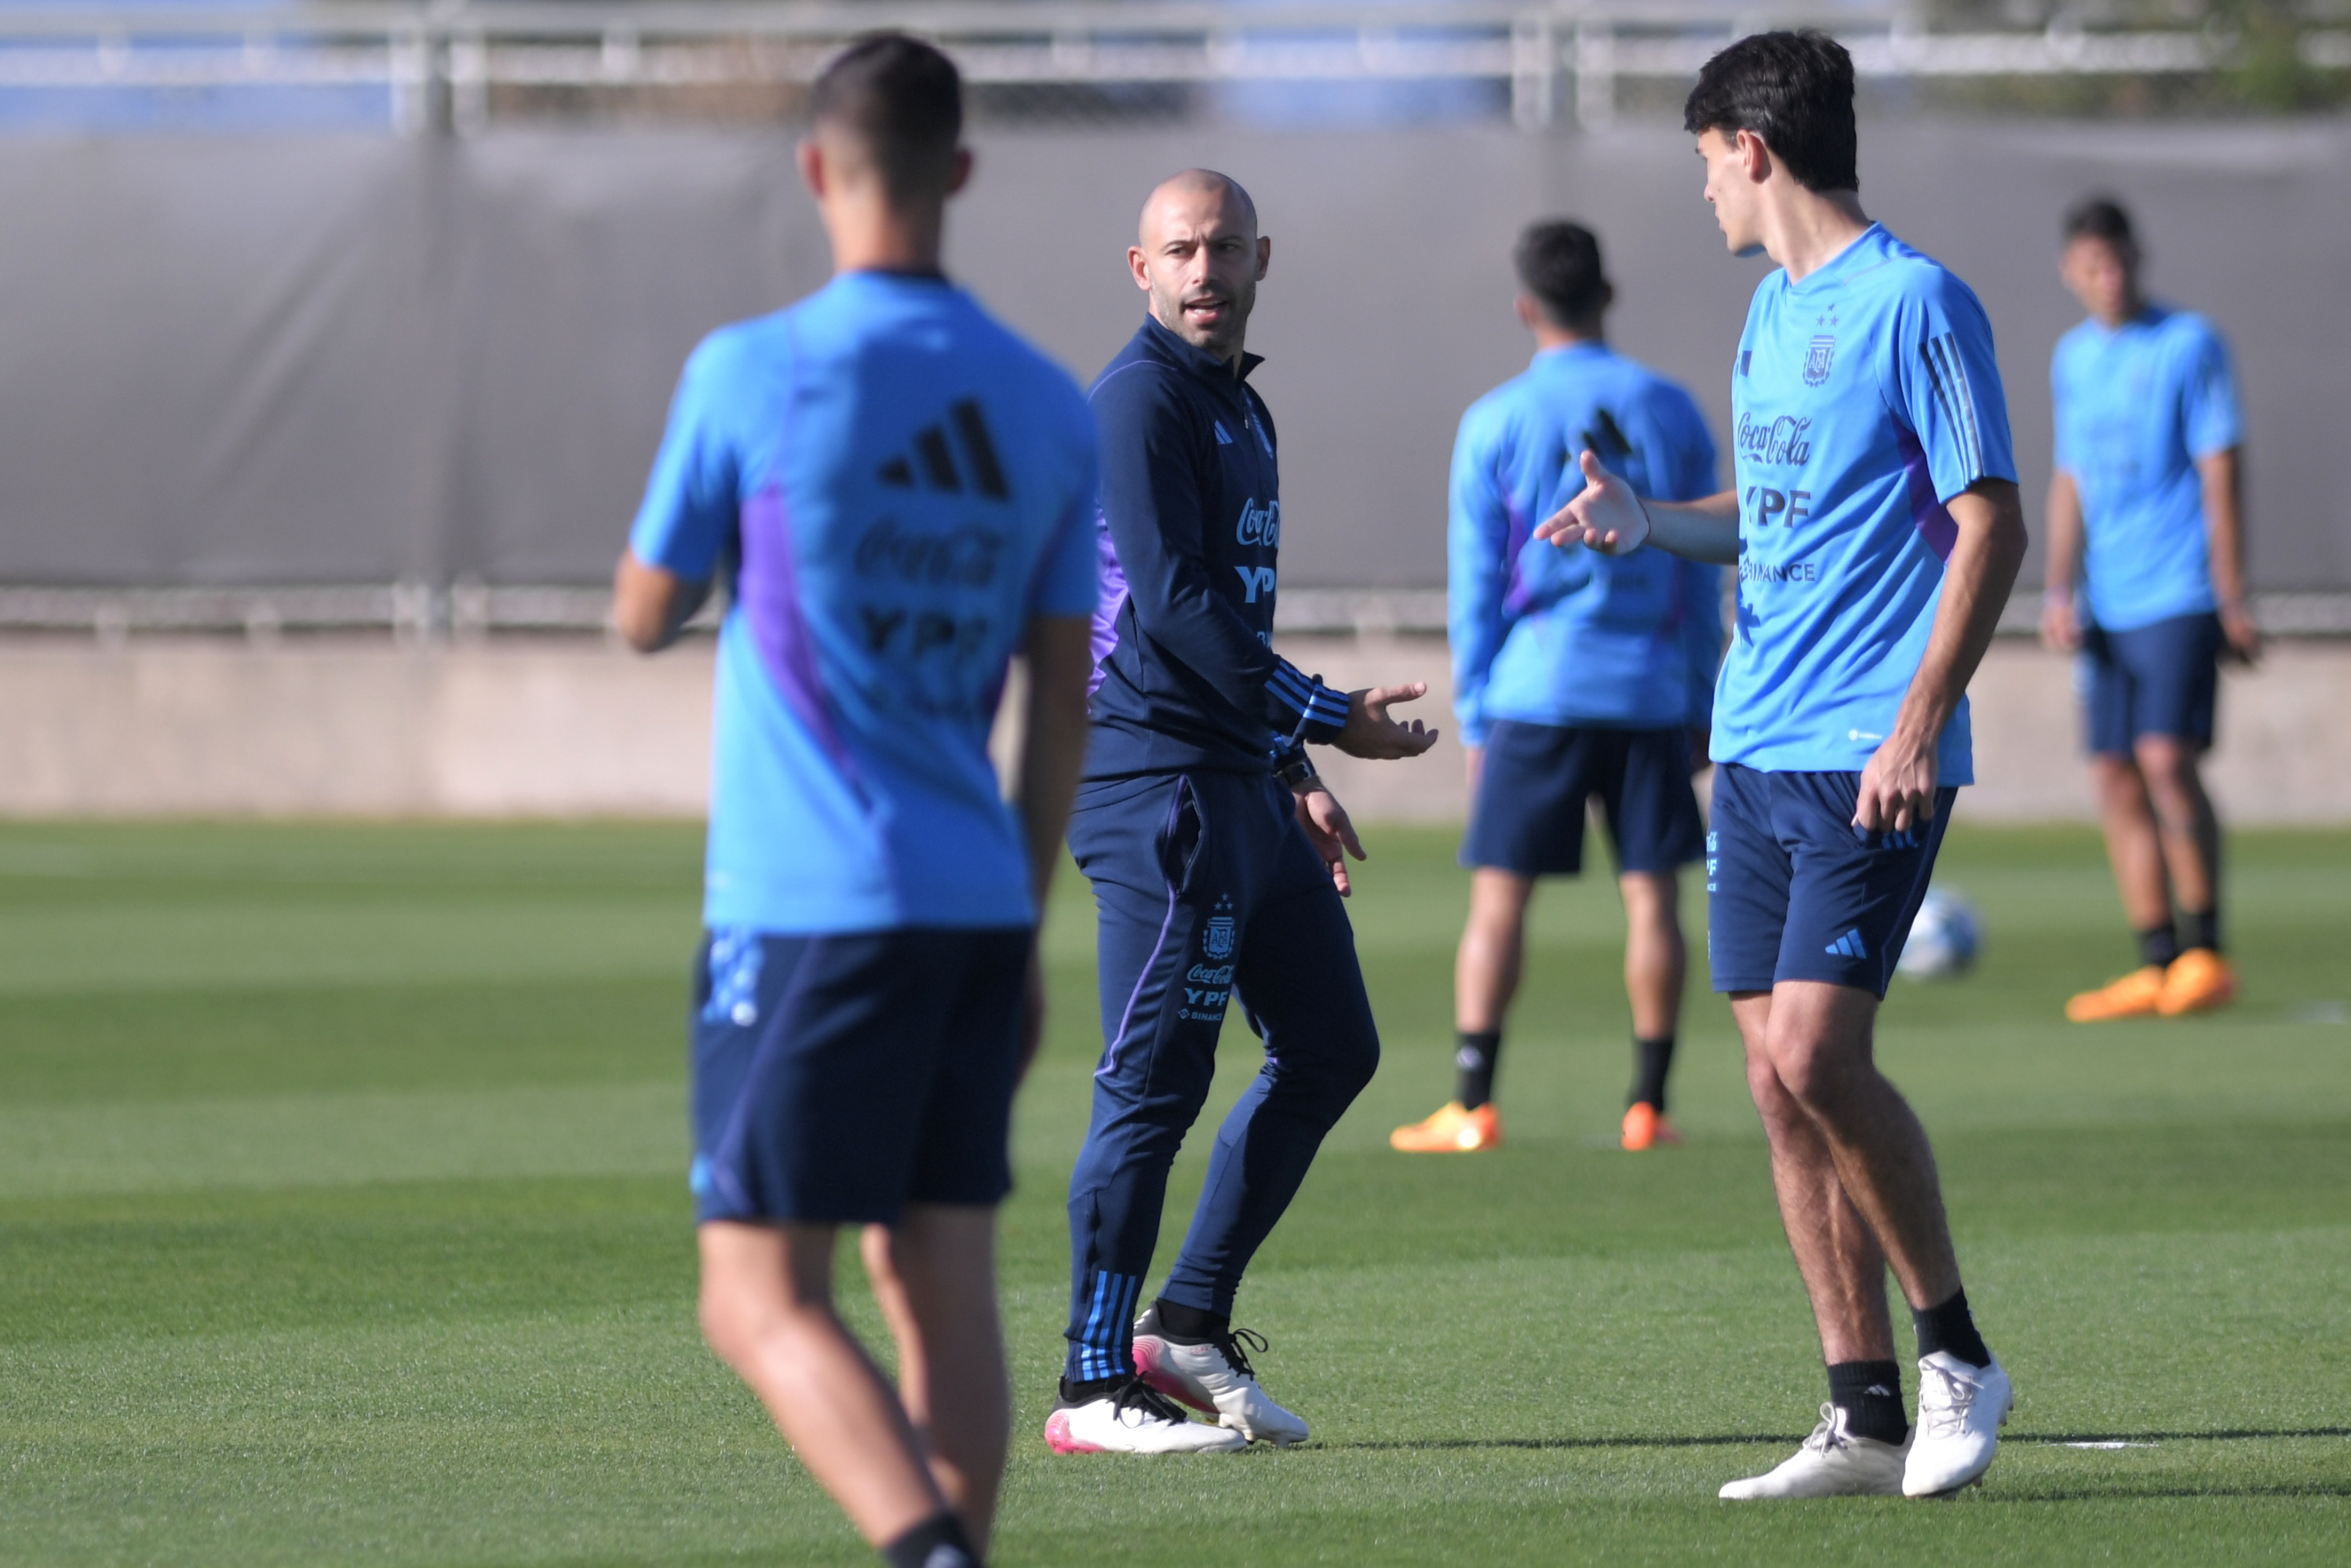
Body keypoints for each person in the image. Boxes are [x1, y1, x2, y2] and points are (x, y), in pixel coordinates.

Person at [611, 36, 1098, 1566]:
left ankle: (929, 1551)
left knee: (754, 1297)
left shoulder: (750, 370)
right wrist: (1022, 930)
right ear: (959, 172)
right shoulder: (1042, 402)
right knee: (934, 1269)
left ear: (817, 170)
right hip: (973, 901)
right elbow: (1061, 708)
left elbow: (642, 609)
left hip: (809, 908)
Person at [1539, 31, 2027, 1499]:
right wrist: (1648, 521)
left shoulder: (1918, 301)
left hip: (1867, 743)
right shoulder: (1768, 316)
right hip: (1748, 740)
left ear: (1751, 149)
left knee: (1820, 1049)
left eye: (1702, 163)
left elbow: (1989, 519)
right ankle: (1860, 1408)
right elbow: (1770, 513)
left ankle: (1956, 1355)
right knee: (1768, 1076)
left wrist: (1918, 719)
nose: (1702, 195)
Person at [1044, 169, 1439, 1456]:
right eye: (1180, 251)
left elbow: (1230, 632)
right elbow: (1178, 614)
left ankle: (1190, 1322)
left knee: (1333, 1045)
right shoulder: (1137, 403)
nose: (1204, 269)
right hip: (1154, 791)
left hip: (1236, 784)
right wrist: (1329, 716)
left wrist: (1288, 769)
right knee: (1153, 1083)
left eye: (1222, 248)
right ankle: (1092, 1380)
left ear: (1260, 256)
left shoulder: (1241, 409)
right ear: (1139, 267)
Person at [1391, 220, 1722, 1159]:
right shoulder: (1672, 409)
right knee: (1652, 902)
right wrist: (1701, 694)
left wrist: (1474, 720)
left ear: (1525, 305)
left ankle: (1471, 1103)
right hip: (1650, 691)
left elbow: (1476, 584)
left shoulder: (1493, 419)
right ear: (1606, 296)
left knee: (1498, 904)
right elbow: (1703, 575)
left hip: (1534, 693)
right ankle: (1646, 1107)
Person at [2040, 195, 2253, 1023]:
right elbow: (2070, 480)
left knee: (2165, 759)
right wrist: (2058, 587)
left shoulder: (2188, 344)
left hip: (2176, 591)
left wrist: (2230, 594)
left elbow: (2219, 471)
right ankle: (2155, 958)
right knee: (2112, 775)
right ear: (2070, 273)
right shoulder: (2070, 358)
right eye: (2093, 265)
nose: (2109, 278)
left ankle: (2206, 951)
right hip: (2104, 601)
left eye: (2120, 261)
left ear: (2139, 258)